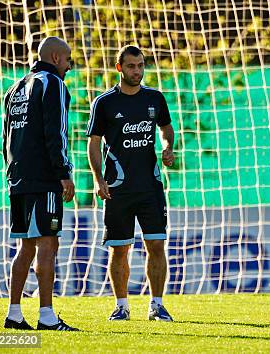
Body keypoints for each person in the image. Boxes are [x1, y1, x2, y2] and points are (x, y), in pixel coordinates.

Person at [86, 45, 175, 322]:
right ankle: (121, 306)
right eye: (131, 66)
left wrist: (168, 146)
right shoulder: (105, 102)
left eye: (140, 66)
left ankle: (157, 306)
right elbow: (94, 143)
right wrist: (98, 179)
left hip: (150, 187)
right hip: (117, 189)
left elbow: (166, 128)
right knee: (119, 249)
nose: (137, 71)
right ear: (119, 68)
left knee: (156, 246)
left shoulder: (155, 99)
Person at [2, 36, 79, 331]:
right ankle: (47, 316)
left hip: (17, 177)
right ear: (57, 57)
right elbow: (55, 132)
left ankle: (14, 314)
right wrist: (63, 172)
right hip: (44, 178)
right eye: (69, 60)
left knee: (26, 247)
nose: (70, 66)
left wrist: (12, 173)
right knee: (48, 243)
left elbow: (6, 136)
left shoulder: (14, 88)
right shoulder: (53, 83)